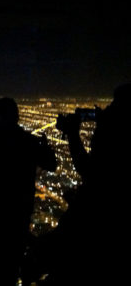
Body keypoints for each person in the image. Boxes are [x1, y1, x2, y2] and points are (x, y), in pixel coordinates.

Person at [46, 84, 131, 285]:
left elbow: (92, 173)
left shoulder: (113, 134)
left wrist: (73, 135)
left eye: (115, 105)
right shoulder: (114, 127)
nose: (108, 110)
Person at [0, 97, 57, 285]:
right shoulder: (27, 141)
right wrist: (45, 148)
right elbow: (51, 165)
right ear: (17, 116)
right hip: (20, 210)